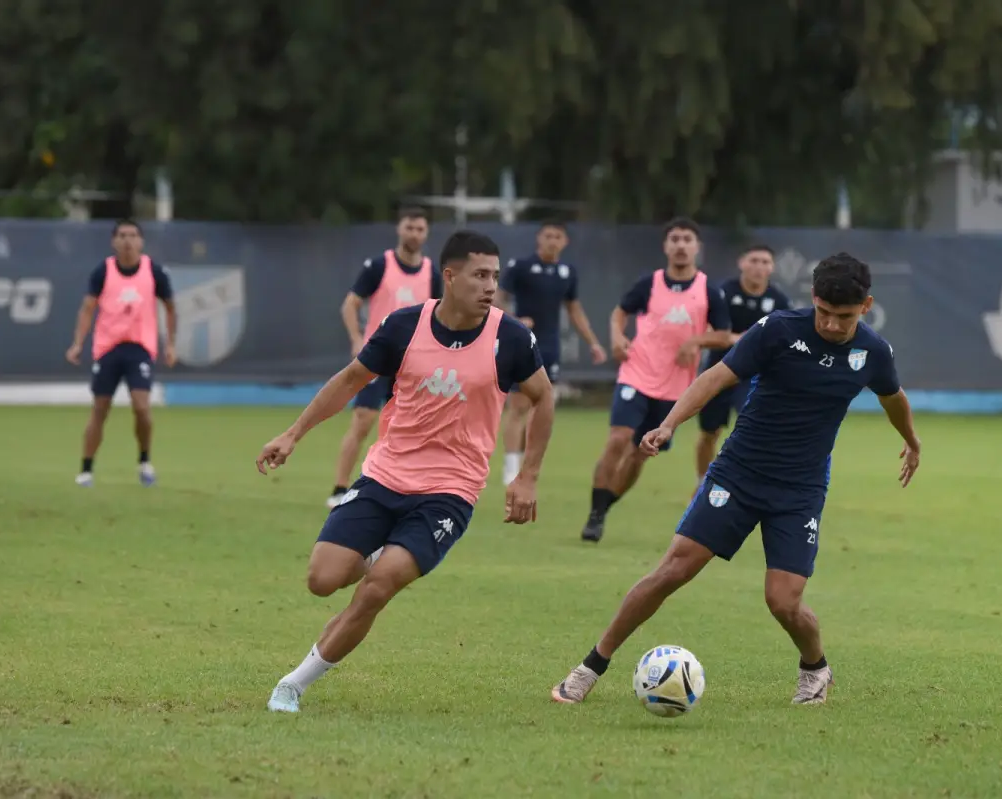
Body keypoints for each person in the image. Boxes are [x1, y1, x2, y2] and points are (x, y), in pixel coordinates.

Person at [551, 253, 921, 707]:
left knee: (783, 602)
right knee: (673, 570)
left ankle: (815, 669)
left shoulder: (873, 352)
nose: (830, 324)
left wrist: (912, 441)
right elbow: (716, 377)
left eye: (843, 317)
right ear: (813, 299)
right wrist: (669, 424)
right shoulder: (779, 330)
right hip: (738, 473)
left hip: (799, 490)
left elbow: (893, 397)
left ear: (866, 306)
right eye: (823, 312)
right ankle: (590, 666)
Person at [259, 230, 554, 714]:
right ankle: (378, 548)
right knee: (322, 578)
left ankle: (293, 684)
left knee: (378, 587)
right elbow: (351, 380)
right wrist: (293, 434)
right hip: (384, 477)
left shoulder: (511, 337)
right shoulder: (403, 327)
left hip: (450, 491)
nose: (490, 286)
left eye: (495, 277)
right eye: (480, 275)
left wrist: (528, 476)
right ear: (450, 275)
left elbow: (544, 398)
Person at [580, 217, 732, 543]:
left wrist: (696, 342)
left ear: (697, 247)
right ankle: (595, 515)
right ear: (665, 246)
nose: (680, 245)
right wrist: (617, 337)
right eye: (674, 239)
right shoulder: (649, 283)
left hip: (675, 388)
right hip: (636, 374)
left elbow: (722, 335)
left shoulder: (709, 291)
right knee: (618, 439)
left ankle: (604, 506)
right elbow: (619, 312)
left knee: (639, 454)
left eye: (686, 239)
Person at [327, 206, 442, 507]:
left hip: (414, 363)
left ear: (426, 233)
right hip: (378, 358)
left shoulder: (432, 272)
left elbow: (440, 314)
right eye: (409, 227)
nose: (414, 234)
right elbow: (350, 305)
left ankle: (400, 487)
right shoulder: (380, 265)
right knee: (363, 421)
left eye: (420, 229)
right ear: (399, 229)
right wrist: (356, 339)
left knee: (409, 427)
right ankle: (340, 488)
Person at [65, 219, 177, 487]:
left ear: (141, 241)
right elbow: (87, 309)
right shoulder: (103, 272)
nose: (128, 240)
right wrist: (78, 343)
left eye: (133, 235)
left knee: (141, 407)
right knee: (100, 409)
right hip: (108, 349)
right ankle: (86, 470)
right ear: (114, 241)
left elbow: (171, 308)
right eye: (122, 235)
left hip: (139, 349)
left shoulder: (154, 272)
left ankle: (144, 461)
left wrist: (170, 344)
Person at [497, 220, 607, 486]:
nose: (552, 240)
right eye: (548, 235)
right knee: (519, 406)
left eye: (558, 236)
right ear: (539, 239)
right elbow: (497, 299)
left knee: (542, 408)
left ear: (564, 242)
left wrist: (593, 342)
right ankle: (510, 466)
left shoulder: (567, 273)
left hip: (550, 346)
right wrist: (515, 320)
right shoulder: (521, 267)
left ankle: (527, 463)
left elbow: (574, 310)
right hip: (522, 343)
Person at [695, 244, 791, 485]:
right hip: (719, 371)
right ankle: (702, 483)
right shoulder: (723, 293)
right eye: (754, 261)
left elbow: (783, 341)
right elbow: (713, 334)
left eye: (765, 262)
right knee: (710, 433)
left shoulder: (778, 300)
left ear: (772, 267)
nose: (759, 267)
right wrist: (750, 339)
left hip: (754, 377)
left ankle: (746, 483)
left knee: (752, 429)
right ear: (742, 263)